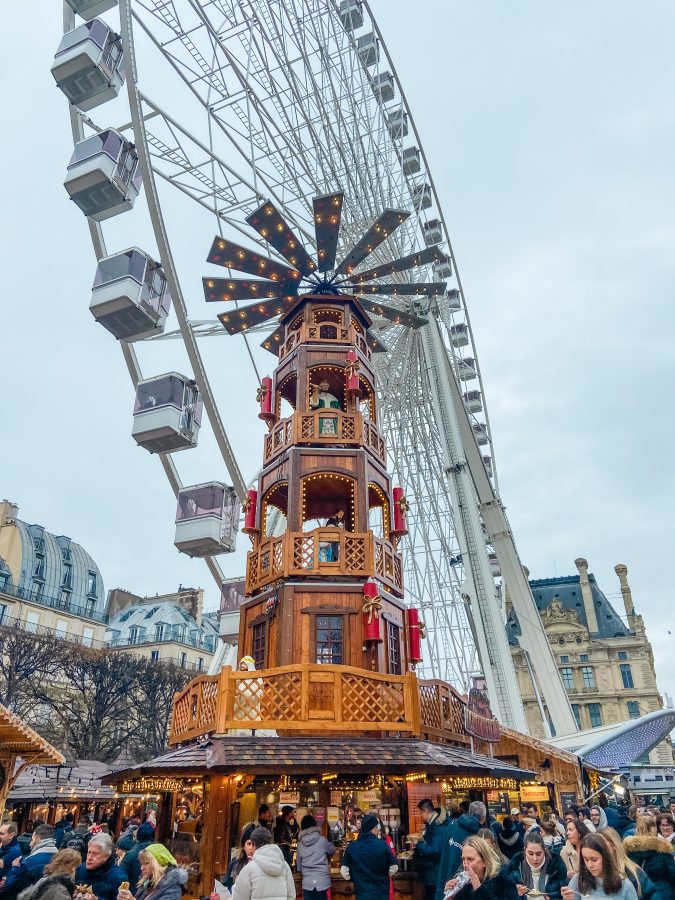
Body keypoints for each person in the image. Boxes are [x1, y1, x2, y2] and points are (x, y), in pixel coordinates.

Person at [561, 834, 638, 900]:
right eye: (586, 860)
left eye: (594, 860)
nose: (590, 865)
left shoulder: (625, 885)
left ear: (605, 857)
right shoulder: (578, 880)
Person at [435, 801, 486, 900]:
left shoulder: (452, 825)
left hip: (446, 876)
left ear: (469, 812)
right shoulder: (480, 834)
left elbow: (442, 849)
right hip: (466, 882)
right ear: (483, 818)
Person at [442, 835, 517, 900]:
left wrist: (478, 888)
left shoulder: (503, 881)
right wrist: (450, 896)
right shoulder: (465, 885)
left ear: (485, 861)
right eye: (463, 859)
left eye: (470, 859)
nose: (465, 864)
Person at [341, 815, 396, 900]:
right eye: (377, 826)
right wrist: (383, 876)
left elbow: (344, 871)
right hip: (381, 893)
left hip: (362, 893)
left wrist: (355, 878)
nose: (379, 829)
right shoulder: (383, 845)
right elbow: (394, 867)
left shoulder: (352, 847)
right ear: (372, 828)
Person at [232, 827, 294, 900]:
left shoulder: (249, 869)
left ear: (254, 844)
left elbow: (240, 898)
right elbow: (291, 896)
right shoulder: (284, 866)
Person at [597, 828, 657, 900]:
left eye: (601, 843)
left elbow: (652, 895)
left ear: (614, 845)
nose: (597, 847)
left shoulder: (634, 873)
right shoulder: (591, 872)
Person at [624, 816, 675, 898]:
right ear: (653, 828)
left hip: (639, 892)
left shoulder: (628, 850)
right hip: (663, 893)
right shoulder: (663, 848)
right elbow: (673, 874)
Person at [505, 832, 567, 900]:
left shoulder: (557, 867)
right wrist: (515, 893)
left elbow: (563, 895)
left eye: (538, 854)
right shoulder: (514, 868)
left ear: (544, 850)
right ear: (525, 851)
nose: (535, 858)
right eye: (531, 854)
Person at [3, 825, 59, 900]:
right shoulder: (59, 857)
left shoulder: (30, 860)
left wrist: (14, 868)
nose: (30, 843)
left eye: (32, 839)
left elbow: (12, 885)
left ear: (37, 839)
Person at [413, 799, 450, 900]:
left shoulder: (438, 827)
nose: (421, 815)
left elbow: (435, 850)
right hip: (433, 872)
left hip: (435, 873)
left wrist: (419, 843)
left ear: (425, 810)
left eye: (421, 812)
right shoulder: (433, 825)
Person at [118, 845, 186, 900]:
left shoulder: (173, 888)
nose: (141, 868)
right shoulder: (148, 882)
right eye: (141, 864)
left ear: (159, 864)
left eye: (146, 863)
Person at [73, 834, 126, 900]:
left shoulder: (119, 877)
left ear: (107, 856)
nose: (89, 858)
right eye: (89, 852)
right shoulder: (81, 869)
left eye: (95, 854)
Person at [295, 814, 335, 900]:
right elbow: (333, 850)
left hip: (307, 884)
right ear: (315, 826)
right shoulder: (322, 840)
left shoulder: (300, 844)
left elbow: (299, 867)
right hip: (322, 883)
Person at [119, 824, 154, 892]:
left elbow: (121, 878)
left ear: (138, 836)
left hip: (132, 893)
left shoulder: (130, 854)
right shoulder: (160, 854)